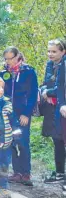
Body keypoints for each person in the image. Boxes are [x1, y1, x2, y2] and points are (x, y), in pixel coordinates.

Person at [0, 47, 38, 186]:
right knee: (12, 142)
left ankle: (26, 173)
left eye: (11, 58)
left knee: (23, 142)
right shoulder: (3, 73)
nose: (8, 61)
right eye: (6, 59)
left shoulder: (28, 71)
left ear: (17, 56)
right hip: (9, 112)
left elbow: (33, 94)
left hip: (23, 112)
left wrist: (26, 114)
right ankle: (16, 173)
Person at [40, 39, 66, 184]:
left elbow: (61, 87)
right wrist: (45, 91)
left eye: (54, 51)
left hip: (62, 107)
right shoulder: (50, 64)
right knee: (57, 140)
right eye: (49, 51)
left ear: (63, 52)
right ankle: (60, 174)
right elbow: (45, 83)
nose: (50, 54)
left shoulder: (64, 65)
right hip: (52, 109)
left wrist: (48, 92)